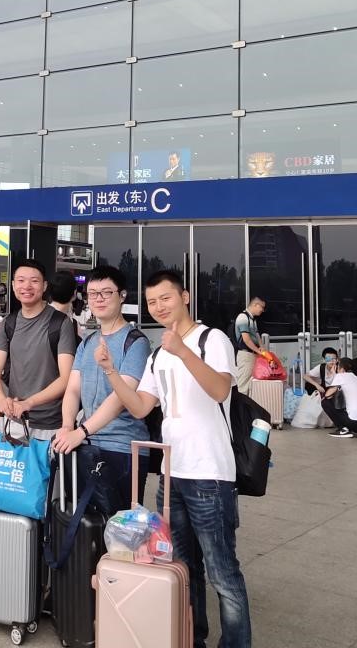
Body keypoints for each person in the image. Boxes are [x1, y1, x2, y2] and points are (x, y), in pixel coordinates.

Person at [98, 270, 251, 648]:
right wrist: (111, 371)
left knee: (223, 572)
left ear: (185, 296)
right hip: (171, 476)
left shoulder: (212, 339)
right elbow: (140, 407)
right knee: (183, 567)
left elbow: (220, 389)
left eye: (165, 298)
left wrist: (183, 351)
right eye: (152, 302)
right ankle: (192, 638)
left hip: (210, 474)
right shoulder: (158, 352)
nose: (159, 307)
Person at [52, 265, 151, 509]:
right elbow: (73, 389)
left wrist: (81, 431)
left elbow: (120, 399)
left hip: (122, 447)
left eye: (107, 292)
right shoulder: (87, 342)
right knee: (82, 523)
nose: (99, 299)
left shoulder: (136, 342)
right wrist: (67, 426)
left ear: (122, 296)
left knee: (119, 527)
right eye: (93, 293)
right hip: (86, 445)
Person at [0, 258, 77, 441]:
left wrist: (29, 403)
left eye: (34, 281)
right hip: (15, 420)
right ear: (13, 285)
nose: (27, 286)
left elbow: (66, 378)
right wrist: (1, 400)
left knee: (45, 461)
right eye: (21, 280)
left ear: (44, 286)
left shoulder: (60, 323)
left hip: (50, 424)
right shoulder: (8, 324)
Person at [321, 358, 357, 438]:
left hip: (354, 423)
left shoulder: (341, 376)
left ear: (342, 369)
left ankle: (343, 429)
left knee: (325, 402)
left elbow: (328, 395)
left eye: (337, 367)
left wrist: (334, 375)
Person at [232, 296, 266, 392]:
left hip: (252, 354)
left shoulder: (252, 320)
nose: (262, 310)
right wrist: (258, 351)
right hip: (246, 355)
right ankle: (240, 402)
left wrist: (262, 347)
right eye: (262, 307)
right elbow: (246, 339)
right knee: (243, 385)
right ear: (255, 305)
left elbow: (256, 334)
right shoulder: (243, 317)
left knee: (250, 385)